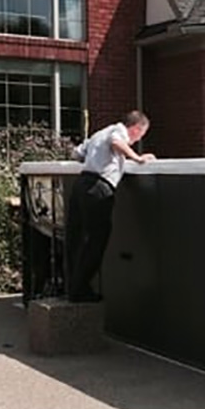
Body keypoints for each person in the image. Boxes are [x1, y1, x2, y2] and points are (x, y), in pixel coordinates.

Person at [65, 110, 155, 302]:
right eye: (141, 135)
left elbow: (76, 153)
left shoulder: (98, 134)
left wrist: (96, 159)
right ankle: (80, 290)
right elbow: (116, 142)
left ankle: (72, 286)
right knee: (97, 240)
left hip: (82, 185)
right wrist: (137, 158)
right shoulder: (118, 131)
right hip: (99, 188)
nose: (138, 140)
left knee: (78, 237)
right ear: (136, 128)